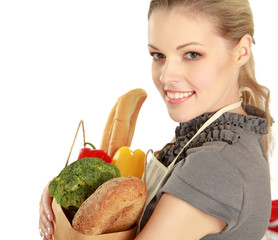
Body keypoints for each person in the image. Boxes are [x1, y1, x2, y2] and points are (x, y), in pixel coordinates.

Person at [39, 0, 273, 239]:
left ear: (241, 51)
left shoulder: (214, 164)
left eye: (192, 54)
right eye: (158, 54)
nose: (166, 75)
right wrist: (62, 192)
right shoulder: (219, 136)